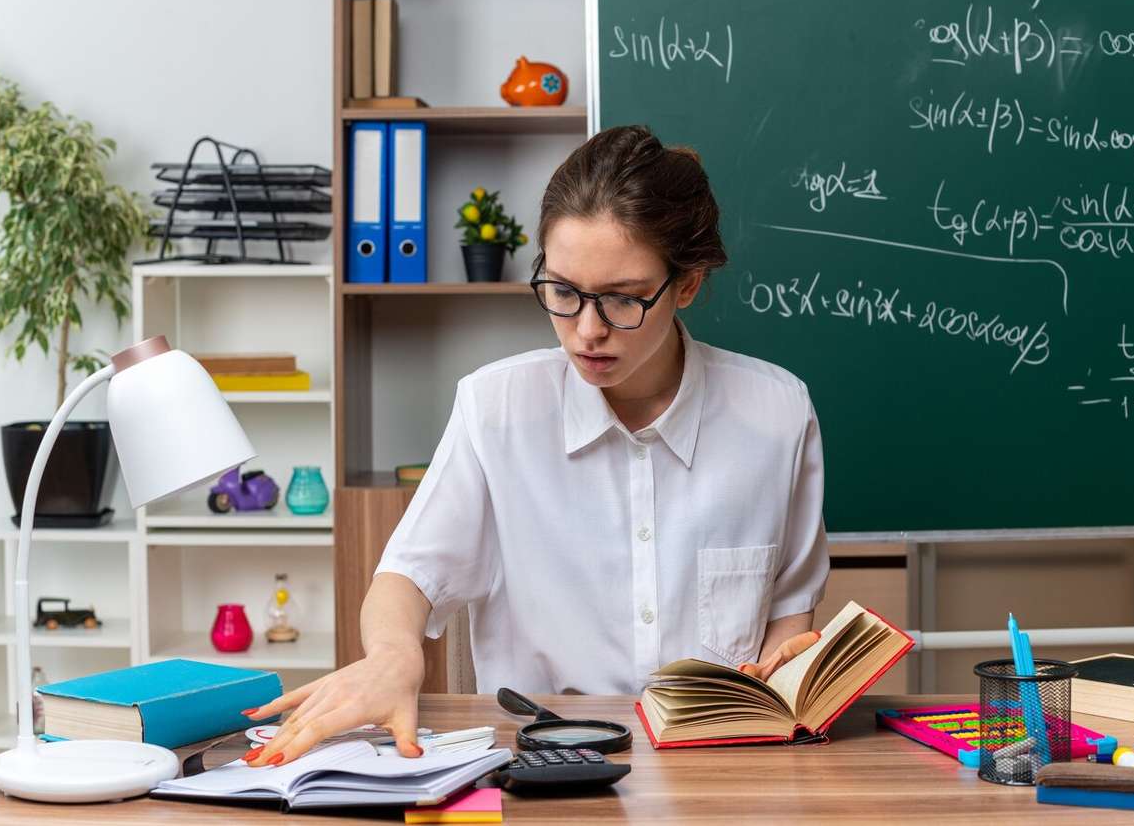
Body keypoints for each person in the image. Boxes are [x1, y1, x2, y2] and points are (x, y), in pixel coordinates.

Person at [240, 125, 830, 767]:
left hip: (723, 769)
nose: (586, 331)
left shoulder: (775, 414)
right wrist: (392, 656)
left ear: (685, 285)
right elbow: (407, 578)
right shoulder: (496, 408)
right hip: (545, 761)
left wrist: (784, 667)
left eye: (623, 300)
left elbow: (787, 618)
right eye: (563, 292)